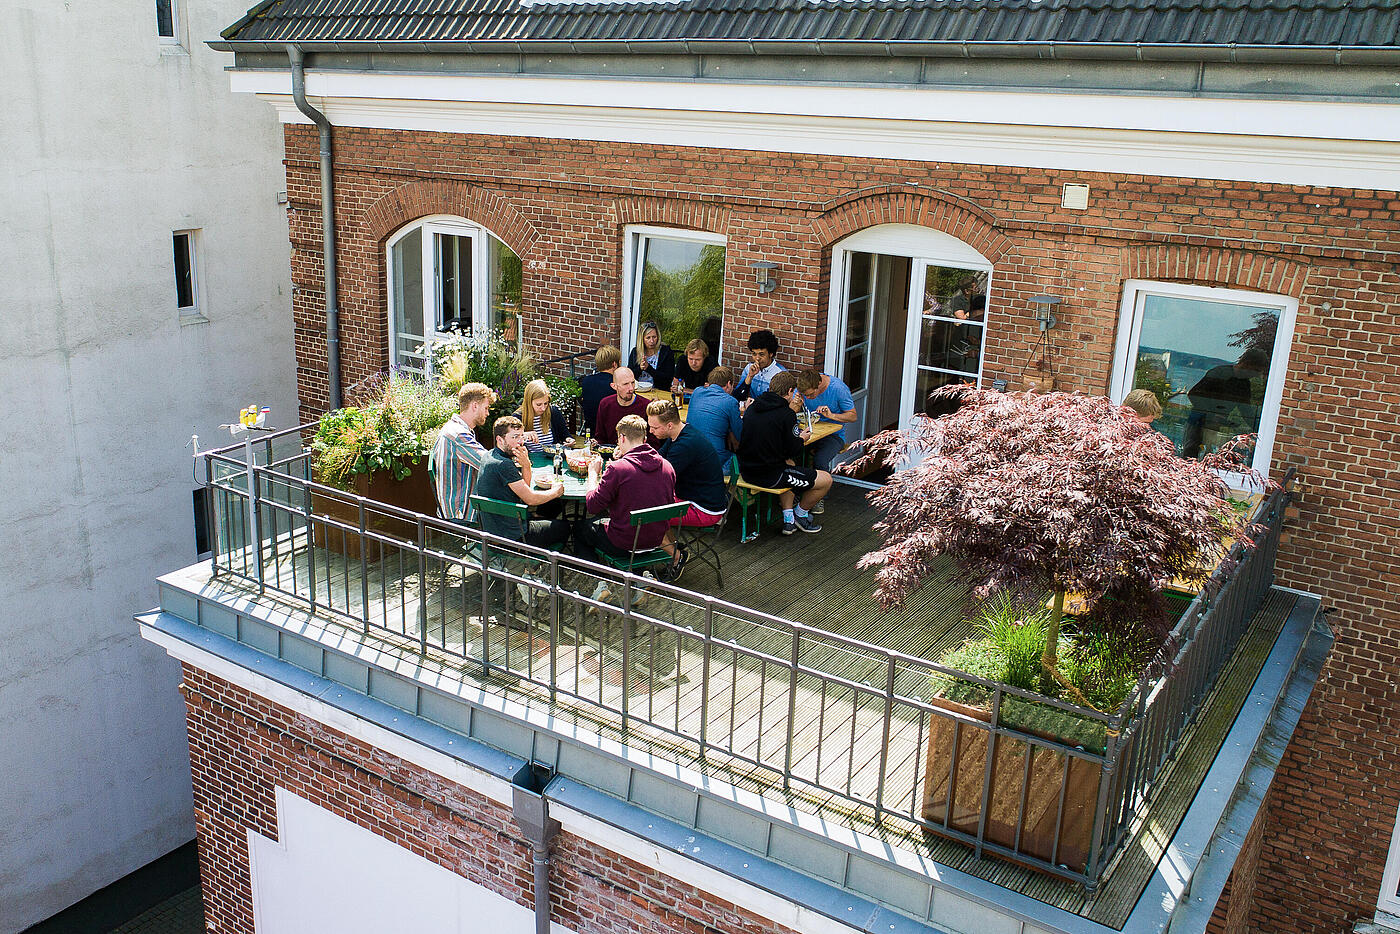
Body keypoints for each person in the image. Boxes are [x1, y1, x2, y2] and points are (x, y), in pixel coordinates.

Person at [737, 371, 832, 535]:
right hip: (770, 476)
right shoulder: (786, 415)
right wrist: (802, 438)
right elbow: (793, 449)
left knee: (789, 464)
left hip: (747, 471)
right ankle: (801, 514)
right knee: (826, 480)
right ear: (789, 391)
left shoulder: (752, 409)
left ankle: (789, 521)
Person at [574, 415, 677, 566]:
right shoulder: (667, 466)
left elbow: (592, 506)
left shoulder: (618, 469)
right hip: (656, 540)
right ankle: (642, 574)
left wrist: (593, 474)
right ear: (644, 439)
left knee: (579, 528)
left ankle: (597, 582)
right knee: (606, 518)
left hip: (624, 544)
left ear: (622, 438)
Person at [647, 399, 728, 580]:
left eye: (654, 427)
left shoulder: (685, 445)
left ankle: (676, 556)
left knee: (648, 517)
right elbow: (658, 458)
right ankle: (673, 549)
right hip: (695, 497)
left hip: (704, 508)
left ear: (669, 425)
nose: (650, 431)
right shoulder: (680, 433)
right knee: (652, 508)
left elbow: (659, 477)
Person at [474, 416, 571, 549]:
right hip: (513, 535)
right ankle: (538, 563)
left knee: (551, 508)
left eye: (521, 436)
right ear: (499, 439)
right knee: (565, 527)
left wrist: (526, 465)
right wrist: (556, 491)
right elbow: (530, 499)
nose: (520, 442)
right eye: (514, 437)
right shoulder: (504, 465)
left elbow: (524, 488)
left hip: (496, 527)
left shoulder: (489, 455)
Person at [1183, 348, 1270, 458]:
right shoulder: (1219, 373)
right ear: (1247, 365)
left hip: (1215, 425)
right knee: (1190, 455)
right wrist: (1212, 414)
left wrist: (1258, 429)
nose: (1257, 376)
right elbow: (1194, 394)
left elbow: (1246, 410)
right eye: (1257, 371)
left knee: (1211, 457)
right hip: (1198, 422)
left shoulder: (1244, 384)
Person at [431, 382, 496, 524]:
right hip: (460, 513)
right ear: (474, 406)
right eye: (486, 408)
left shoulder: (452, 428)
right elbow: (489, 464)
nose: (487, 413)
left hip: (451, 508)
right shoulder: (458, 434)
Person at [796, 368, 857, 474]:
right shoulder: (803, 387)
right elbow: (791, 411)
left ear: (819, 384)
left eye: (810, 394)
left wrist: (831, 415)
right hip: (810, 432)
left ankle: (822, 487)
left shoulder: (838, 389)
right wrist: (796, 404)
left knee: (820, 461)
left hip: (834, 435)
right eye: (805, 395)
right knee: (792, 455)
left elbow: (853, 416)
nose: (808, 398)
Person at [686, 366, 744, 464]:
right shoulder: (731, 402)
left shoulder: (697, 392)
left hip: (689, 454)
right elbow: (740, 435)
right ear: (729, 384)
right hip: (714, 461)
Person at [594, 366, 656, 447]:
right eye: (625, 384)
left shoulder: (646, 406)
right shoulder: (605, 404)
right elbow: (600, 438)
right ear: (614, 386)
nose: (631, 388)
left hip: (638, 456)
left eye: (633, 383)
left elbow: (654, 443)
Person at [516, 379, 570, 454]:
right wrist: (522, 435)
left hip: (551, 459)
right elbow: (511, 444)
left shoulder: (553, 412)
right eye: (538, 404)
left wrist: (569, 440)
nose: (543, 408)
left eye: (546, 403)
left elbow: (565, 435)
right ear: (529, 402)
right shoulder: (518, 417)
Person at [732, 329, 785, 402]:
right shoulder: (749, 368)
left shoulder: (780, 373)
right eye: (754, 354)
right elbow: (737, 397)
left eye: (761, 354)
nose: (757, 358)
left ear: (771, 353)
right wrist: (749, 377)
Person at [578, 345, 621, 434]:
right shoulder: (616, 385)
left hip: (590, 431)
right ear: (614, 364)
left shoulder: (586, 381)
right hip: (611, 434)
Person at [627, 321, 675, 389]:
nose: (652, 341)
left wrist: (649, 369)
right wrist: (640, 368)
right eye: (648, 338)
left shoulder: (666, 352)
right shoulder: (635, 352)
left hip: (659, 391)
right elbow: (629, 376)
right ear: (642, 339)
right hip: (638, 391)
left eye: (654, 337)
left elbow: (668, 379)